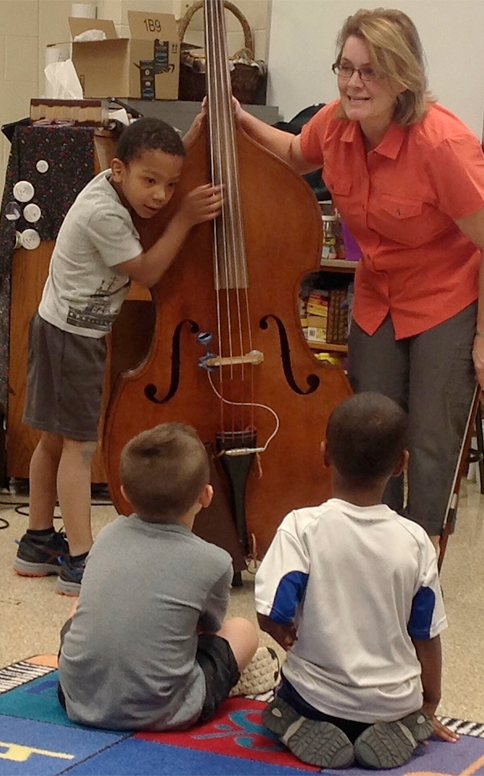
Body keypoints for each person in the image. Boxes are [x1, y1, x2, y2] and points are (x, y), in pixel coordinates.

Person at [230, 7, 484, 554]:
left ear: (403, 76)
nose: (353, 82)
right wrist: (240, 118)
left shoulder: (443, 145)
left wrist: (483, 336)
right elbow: (299, 154)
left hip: (447, 298)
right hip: (377, 298)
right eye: (345, 67)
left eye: (370, 71)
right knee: (370, 432)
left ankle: (422, 562)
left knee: (431, 442)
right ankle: (375, 552)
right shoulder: (336, 122)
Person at [14, 117, 223, 595]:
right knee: (79, 447)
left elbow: (151, 156)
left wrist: (196, 127)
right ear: (119, 170)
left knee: (53, 440)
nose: (159, 195)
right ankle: (81, 560)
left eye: (170, 185)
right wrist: (186, 217)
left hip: (59, 326)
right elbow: (147, 273)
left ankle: (38, 541)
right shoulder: (103, 214)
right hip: (72, 336)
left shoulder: (113, 183)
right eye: (149, 181)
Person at [255, 392, 458, 770]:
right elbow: (426, 633)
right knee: (407, 704)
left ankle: (292, 720)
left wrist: (277, 630)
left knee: (283, 698)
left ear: (325, 453)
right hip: (394, 703)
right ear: (402, 464)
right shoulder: (416, 540)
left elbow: (270, 611)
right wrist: (428, 703)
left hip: (314, 699)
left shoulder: (302, 527)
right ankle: (406, 725)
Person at [57, 422, 279, 730]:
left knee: (80, 606)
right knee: (242, 630)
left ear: (123, 492)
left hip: (74, 697)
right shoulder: (215, 561)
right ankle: (223, 682)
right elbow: (208, 629)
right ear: (206, 495)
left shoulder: (106, 536)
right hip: (167, 709)